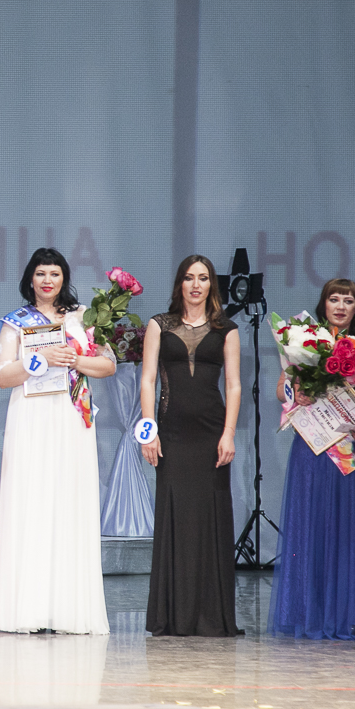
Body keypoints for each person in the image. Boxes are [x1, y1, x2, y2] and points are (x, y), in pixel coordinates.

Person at [0, 248, 114, 634]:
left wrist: (73, 359)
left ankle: (69, 611)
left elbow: (108, 364)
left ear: (64, 279)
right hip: (31, 416)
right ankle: (28, 610)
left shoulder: (82, 317)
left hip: (71, 417)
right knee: (32, 501)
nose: (47, 280)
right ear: (30, 278)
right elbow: (2, 376)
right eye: (41, 273)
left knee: (69, 502)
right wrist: (38, 360)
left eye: (55, 274)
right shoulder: (15, 323)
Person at [268, 279, 355, 640]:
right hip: (314, 449)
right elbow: (281, 389)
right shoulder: (305, 344)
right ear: (323, 305)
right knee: (313, 528)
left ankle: (352, 612)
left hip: (354, 451)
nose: (340, 306)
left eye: (348, 300)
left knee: (353, 531)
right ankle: (310, 611)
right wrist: (297, 393)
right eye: (334, 299)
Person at [140, 255, 241, 637]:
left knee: (209, 518)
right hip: (172, 433)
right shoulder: (159, 325)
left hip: (211, 434)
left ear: (211, 284)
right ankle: (173, 615)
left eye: (203, 278)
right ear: (179, 284)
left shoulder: (227, 329)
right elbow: (148, 379)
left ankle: (210, 616)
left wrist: (228, 433)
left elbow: (233, 385)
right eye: (188, 278)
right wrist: (148, 431)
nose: (196, 285)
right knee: (175, 517)